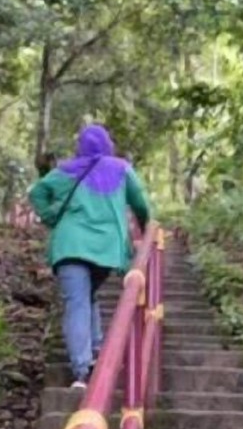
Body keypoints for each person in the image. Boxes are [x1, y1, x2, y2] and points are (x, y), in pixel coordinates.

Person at [28, 124, 152, 388]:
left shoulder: (65, 169)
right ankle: (91, 356)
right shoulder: (121, 168)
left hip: (70, 246)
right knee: (87, 297)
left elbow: (36, 192)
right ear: (108, 144)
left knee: (79, 302)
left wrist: (50, 215)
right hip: (105, 250)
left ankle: (83, 369)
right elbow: (140, 202)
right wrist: (145, 227)